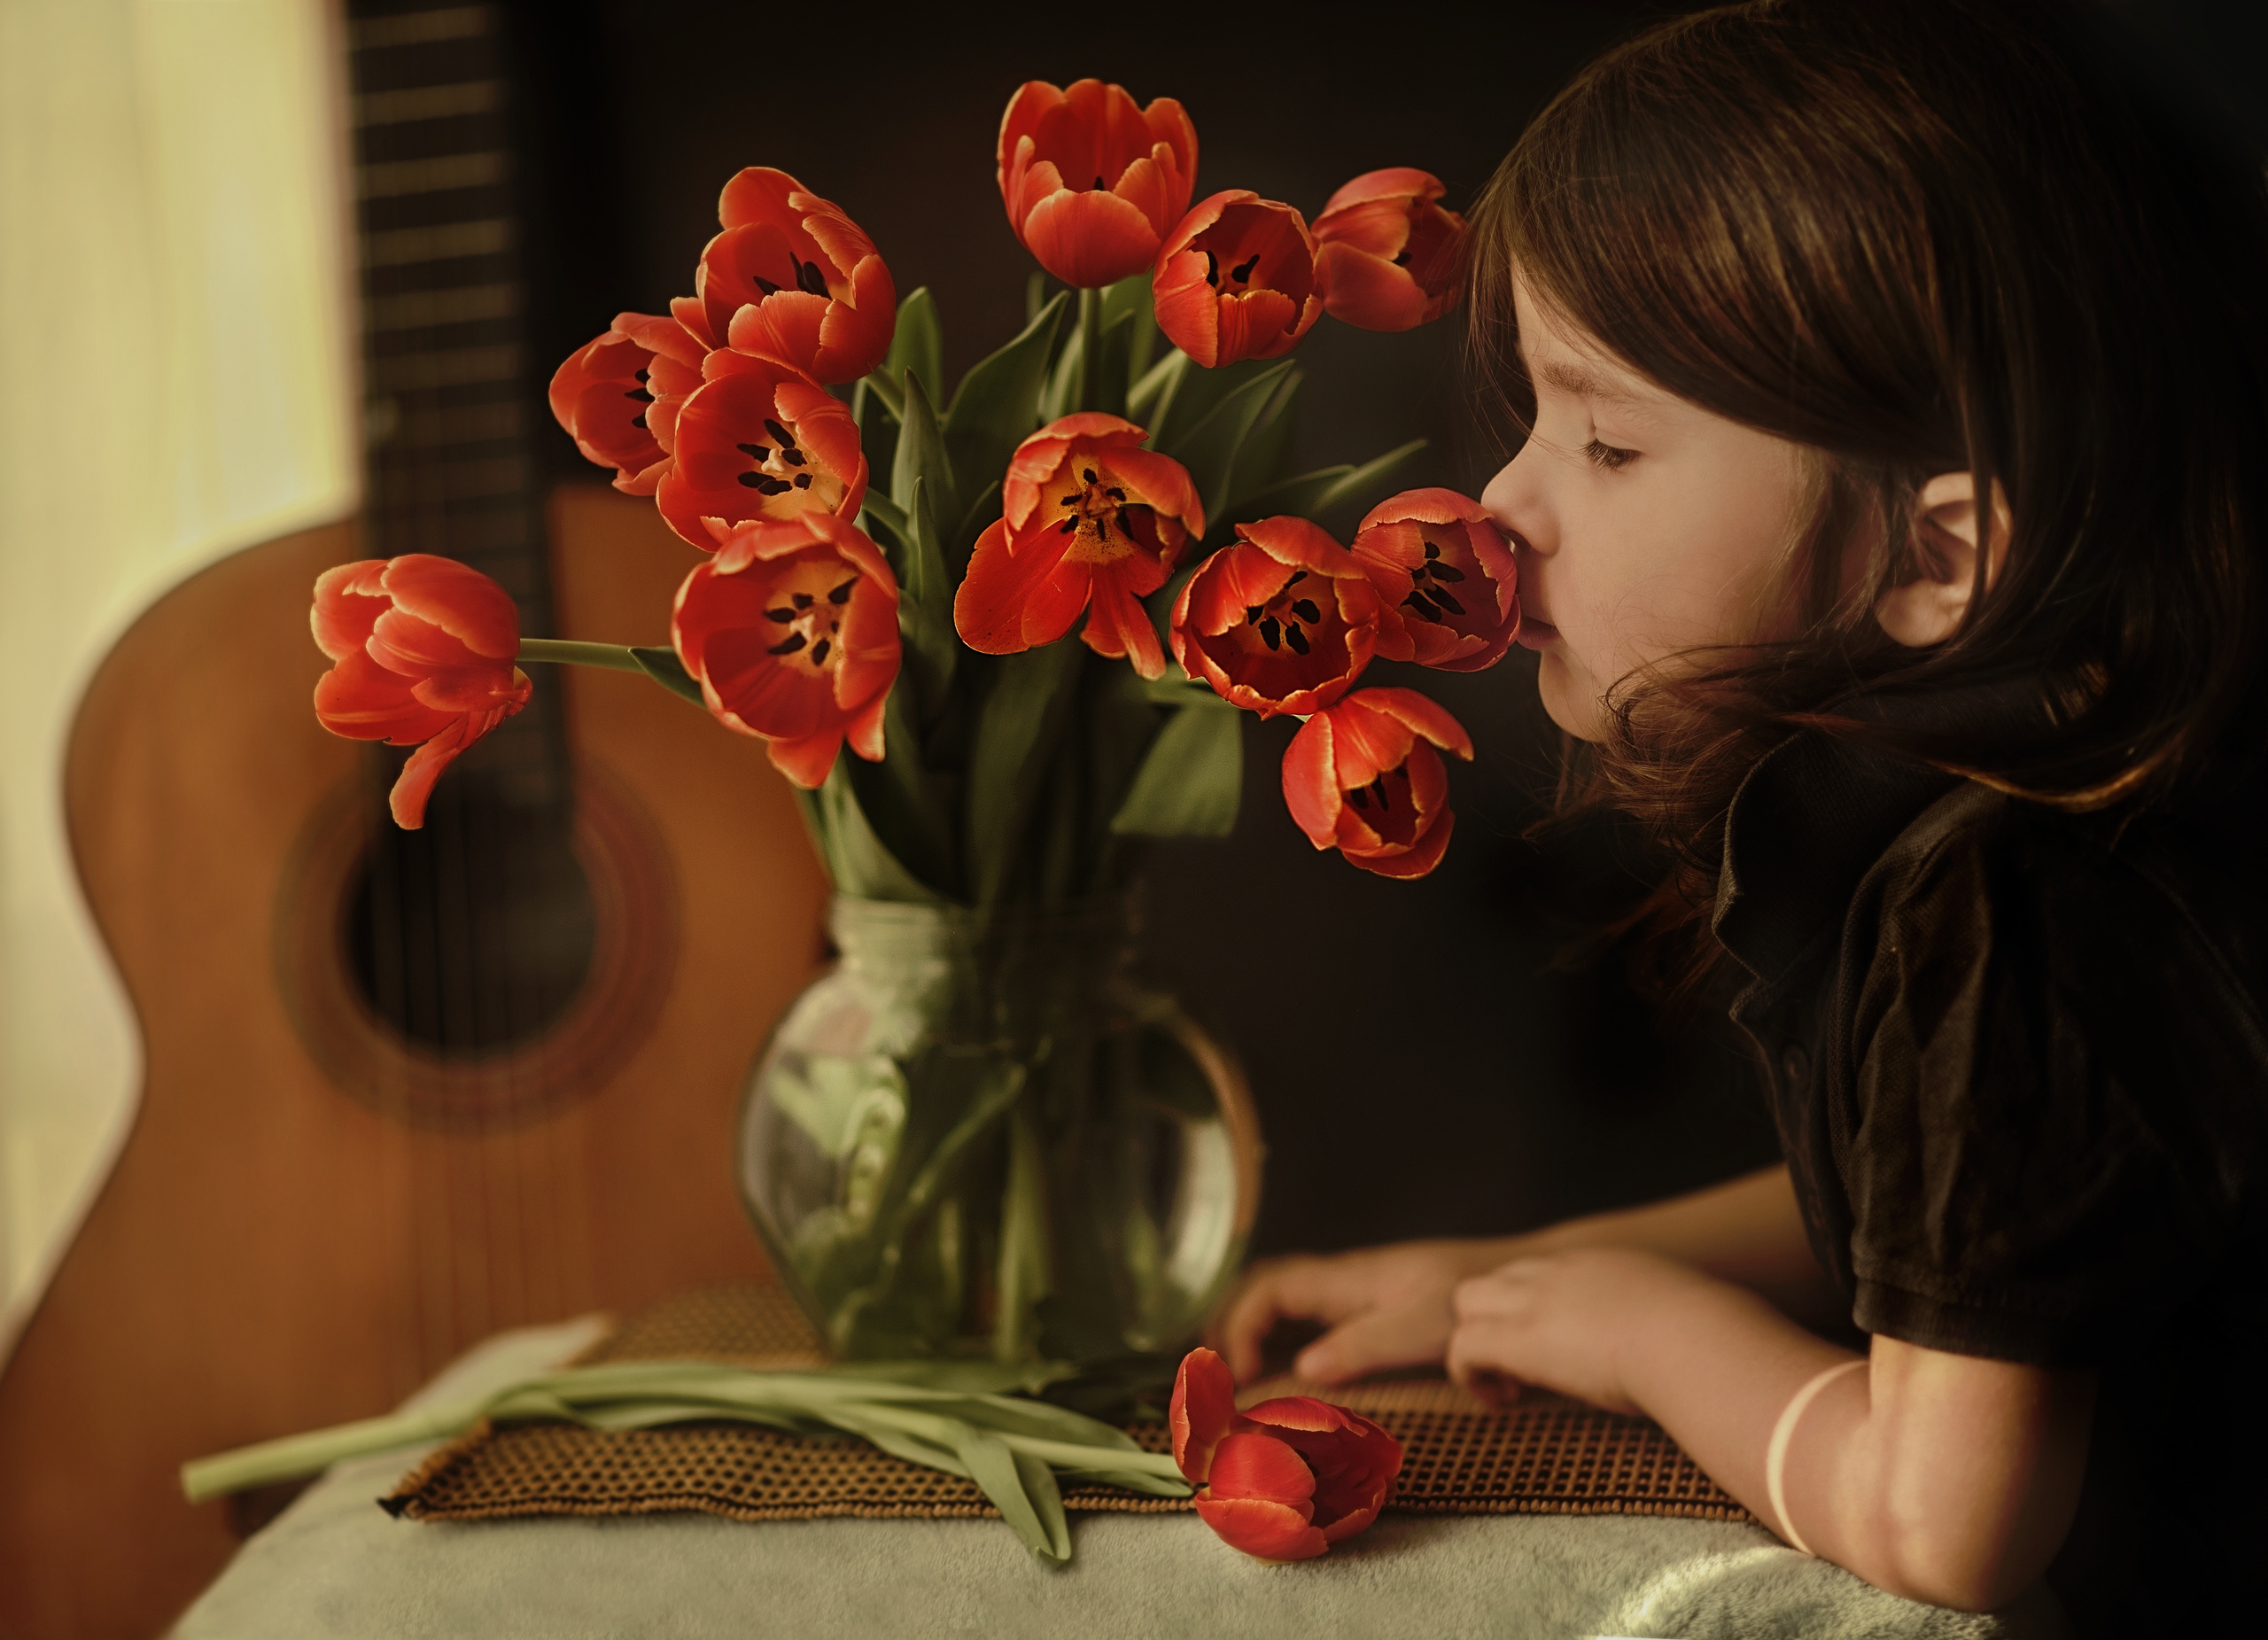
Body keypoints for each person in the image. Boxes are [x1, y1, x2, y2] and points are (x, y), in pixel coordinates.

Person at [1210, 2, 2267, 1628]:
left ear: (1933, 562)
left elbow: (1949, 1522)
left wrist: (1642, 1334)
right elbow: (1963, 1204)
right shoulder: (1965, 827)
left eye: (1612, 442)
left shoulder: (2010, 888)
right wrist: (1522, 1283)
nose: (1501, 501)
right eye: (1538, 419)